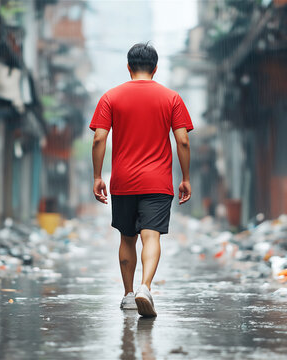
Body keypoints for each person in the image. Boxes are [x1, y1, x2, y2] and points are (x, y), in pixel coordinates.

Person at [90, 43, 193, 317]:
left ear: (128, 67)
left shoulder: (111, 97)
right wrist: (185, 178)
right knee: (152, 236)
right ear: (156, 68)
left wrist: (98, 176)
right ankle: (145, 287)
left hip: (123, 181)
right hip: (158, 182)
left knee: (127, 238)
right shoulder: (172, 98)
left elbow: (99, 137)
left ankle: (126, 294)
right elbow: (182, 140)